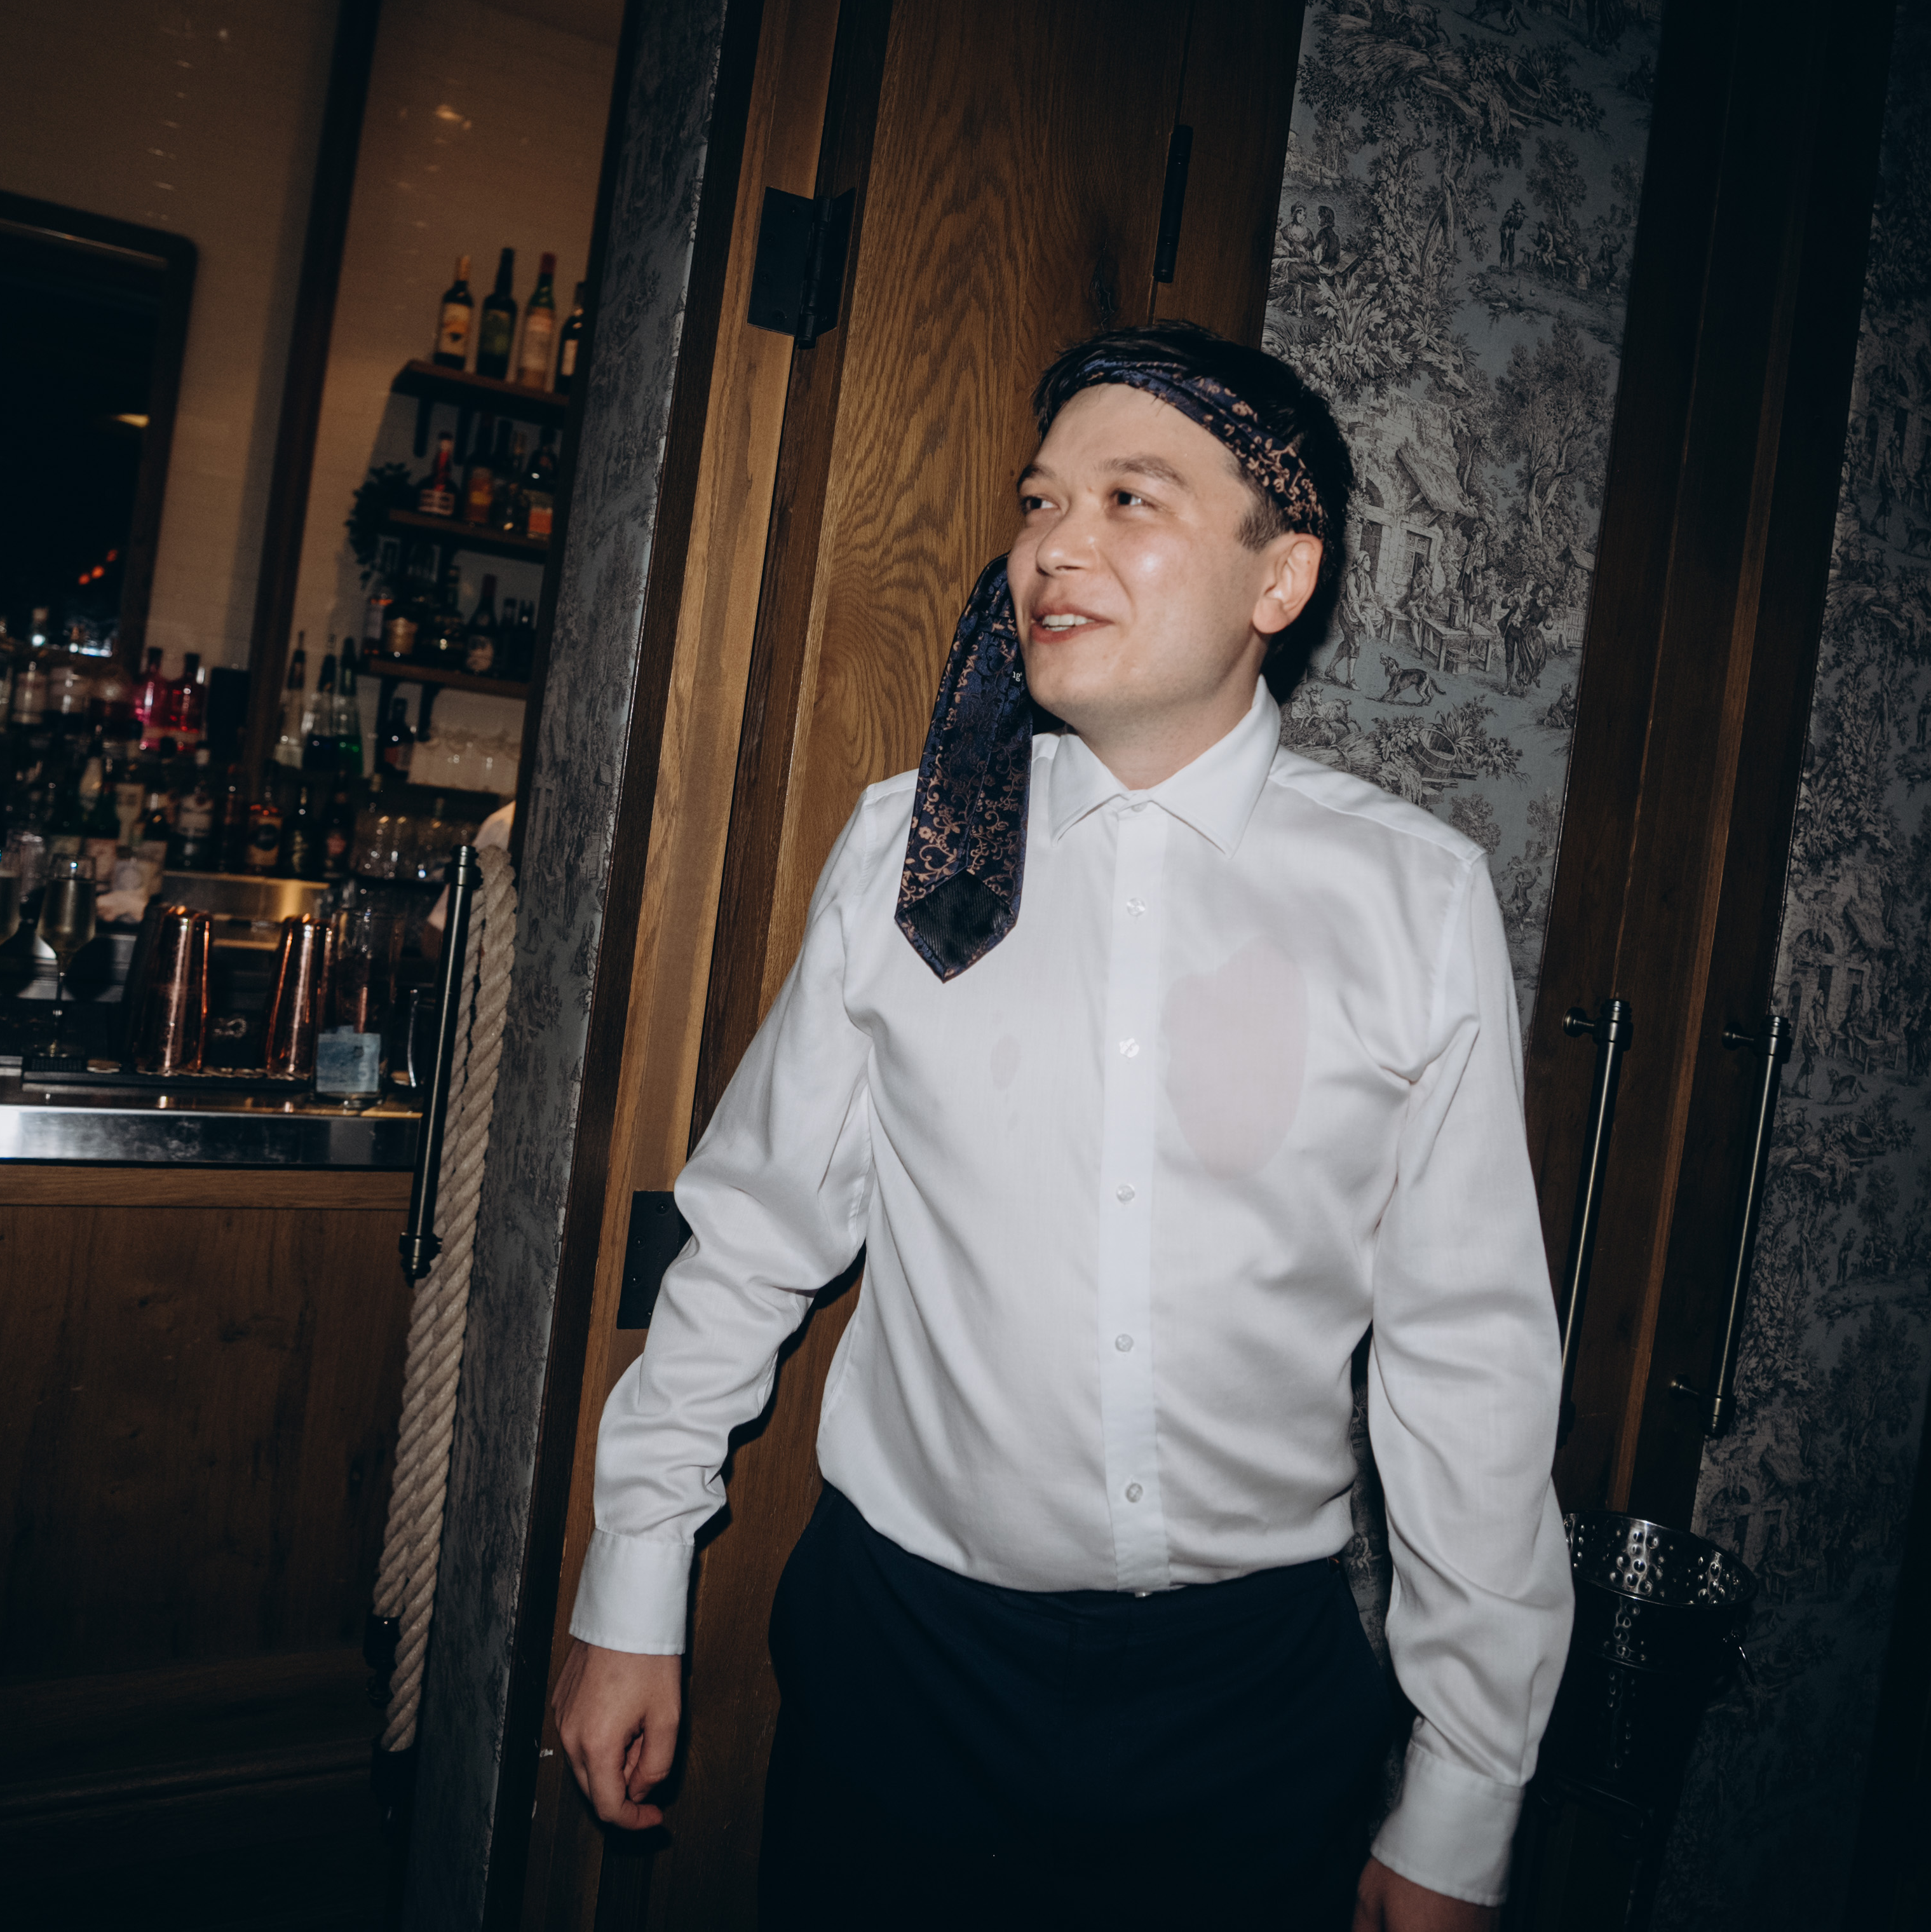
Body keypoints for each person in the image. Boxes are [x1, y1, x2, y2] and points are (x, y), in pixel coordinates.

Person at [553, 322, 1571, 1930]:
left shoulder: (1412, 901)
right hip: (903, 1672)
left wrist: (1465, 1793)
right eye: (1039, 502)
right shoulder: (911, 846)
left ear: (1279, 576)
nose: (1050, 546)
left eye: (1128, 498)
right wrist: (632, 1579)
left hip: (1247, 1710)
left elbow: (1468, 1366)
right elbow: (749, 1235)